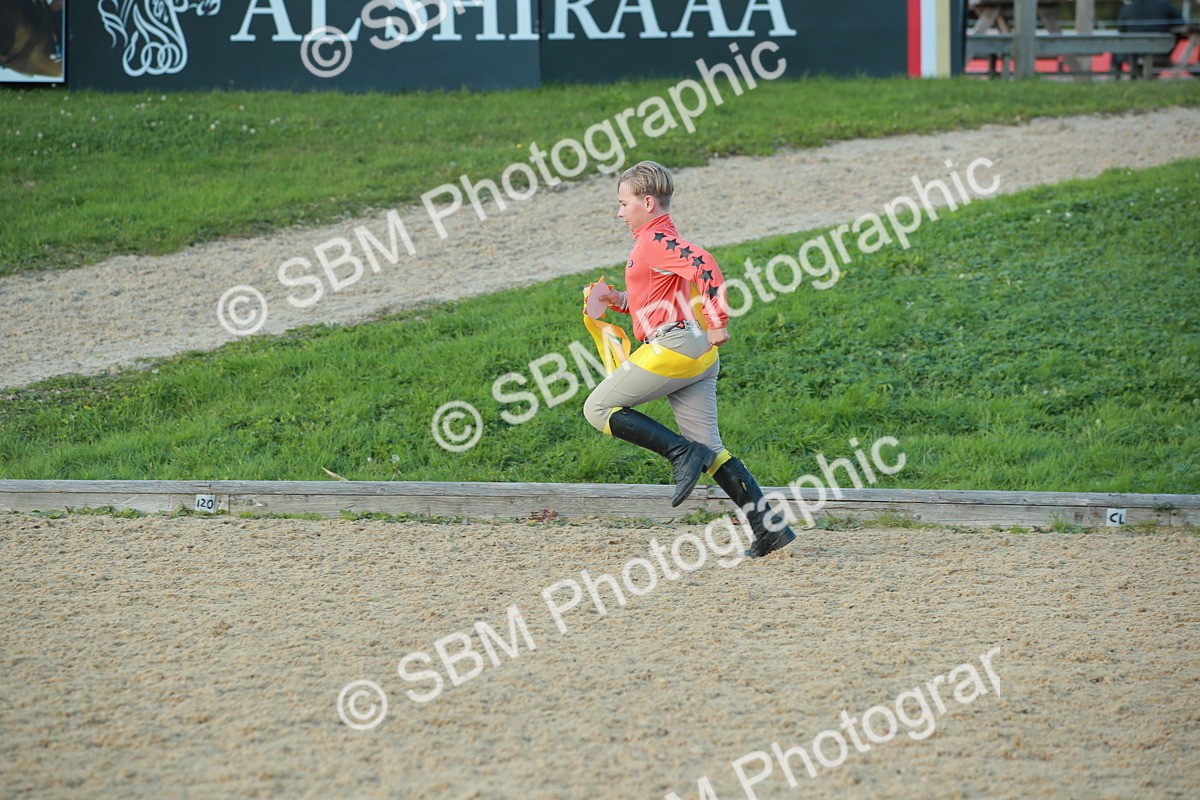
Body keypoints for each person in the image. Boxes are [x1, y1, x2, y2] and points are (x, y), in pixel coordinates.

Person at [583, 160, 795, 558]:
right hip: (693, 348)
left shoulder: (652, 241)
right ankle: (769, 529)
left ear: (647, 202)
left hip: (676, 347)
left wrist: (718, 320)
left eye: (623, 203)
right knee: (711, 450)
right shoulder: (659, 240)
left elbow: (705, 264)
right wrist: (617, 301)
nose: (619, 212)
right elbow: (657, 301)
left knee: (597, 407)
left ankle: (681, 454)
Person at [1115, 0, 1186, 76]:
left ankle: (1116, 73)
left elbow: (1121, 31)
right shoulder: (1164, 5)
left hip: (1134, 55)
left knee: (1118, 45)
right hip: (1161, 53)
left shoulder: (1127, 8)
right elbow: (1181, 24)